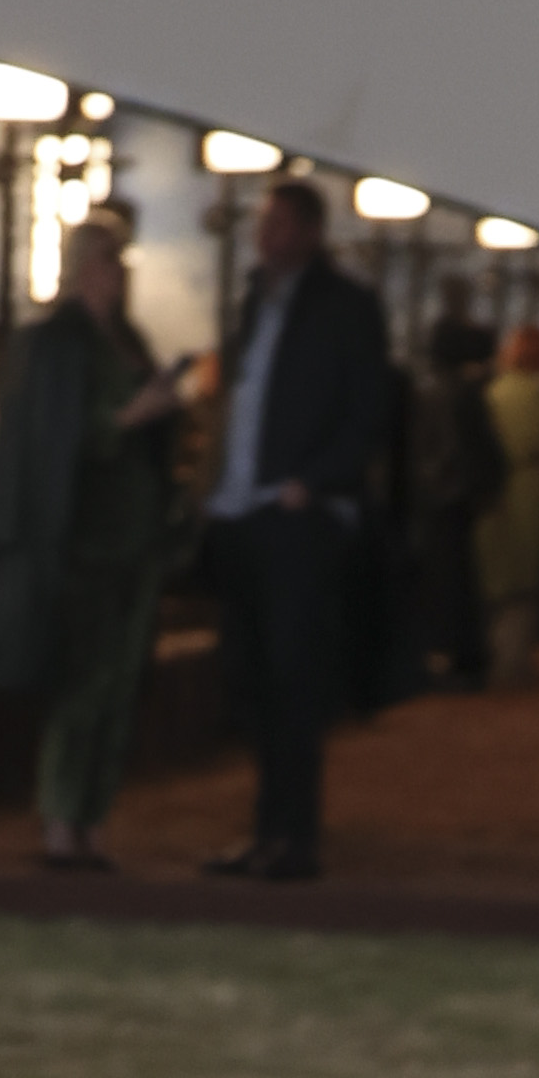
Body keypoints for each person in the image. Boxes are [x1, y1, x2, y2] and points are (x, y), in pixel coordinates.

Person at [0, 212, 182, 863]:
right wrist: (128, 416)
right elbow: (52, 441)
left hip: (131, 541)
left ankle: (91, 817)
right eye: (105, 262)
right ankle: (62, 815)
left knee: (118, 685)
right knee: (80, 683)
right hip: (78, 541)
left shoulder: (127, 339)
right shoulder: (56, 342)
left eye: (118, 263)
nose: (114, 275)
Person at [196, 172, 391, 877]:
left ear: (309, 233)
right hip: (245, 511)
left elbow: (368, 407)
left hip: (292, 514)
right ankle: (265, 829)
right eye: (262, 223)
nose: (264, 236)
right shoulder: (256, 300)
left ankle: (293, 835)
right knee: (251, 678)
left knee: (291, 679)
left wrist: (313, 482)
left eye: (277, 224)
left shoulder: (343, 307)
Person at [402, 311, 505, 690]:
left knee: (443, 584)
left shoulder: (430, 391)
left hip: (436, 499)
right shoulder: (464, 393)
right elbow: (481, 450)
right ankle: (464, 658)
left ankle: (450, 657)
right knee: (458, 581)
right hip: (455, 498)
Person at [476, 321, 539, 687]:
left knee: (492, 574)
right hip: (527, 490)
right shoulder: (535, 396)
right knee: (522, 579)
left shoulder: (493, 392)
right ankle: (511, 662)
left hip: (493, 489)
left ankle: (489, 655)